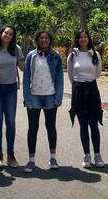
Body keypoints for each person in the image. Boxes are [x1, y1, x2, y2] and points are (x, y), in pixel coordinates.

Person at [22, 30, 64, 173]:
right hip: (34, 97)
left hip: (50, 96)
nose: (44, 40)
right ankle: (31, 160)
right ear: (37, 40)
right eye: (41, 38)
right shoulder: (30, 56)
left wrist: (58, 97)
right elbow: (26, 77)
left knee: (51, 127)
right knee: (32, 128)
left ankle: (53, 157)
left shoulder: (55, 56)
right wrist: (27, 98)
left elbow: (59, 77)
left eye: (46, 38)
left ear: (50, 40)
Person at [0, 25, 24, 171]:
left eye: (11, 34)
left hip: (11, 89)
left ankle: (11, 155)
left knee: (11, 122)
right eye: (5, 32)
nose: (7, 35)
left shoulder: (16, 49)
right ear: (1, 33)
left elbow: (23, 67)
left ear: (13, 36)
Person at [67, 29, 104, 169]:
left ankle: (97, 155)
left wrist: (88, 81)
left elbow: (98, 73)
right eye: (80, 37)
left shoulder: (95, 54)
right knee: (83, 125)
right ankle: (86, 155)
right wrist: (78, 86)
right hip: (79, 91)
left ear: (88, 38)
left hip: (92, 90)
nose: (83, 39)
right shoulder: (72, 55)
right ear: (77, 39)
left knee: (94, 124)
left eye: (85, 36)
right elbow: (71, 75)